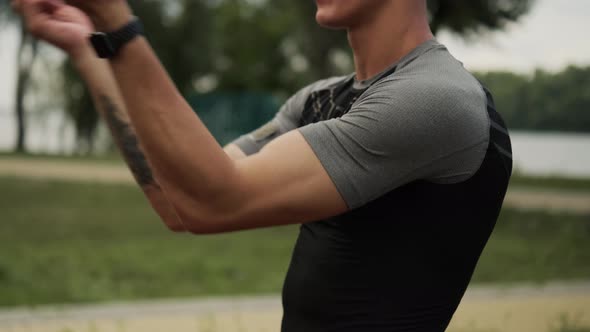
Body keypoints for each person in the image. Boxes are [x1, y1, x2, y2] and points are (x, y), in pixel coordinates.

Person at [14, 0, 513, 331]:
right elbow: (179, 201)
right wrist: (88, 46)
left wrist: (120, 26)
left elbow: (217, 201)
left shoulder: (436, 102)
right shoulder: (319, 100)